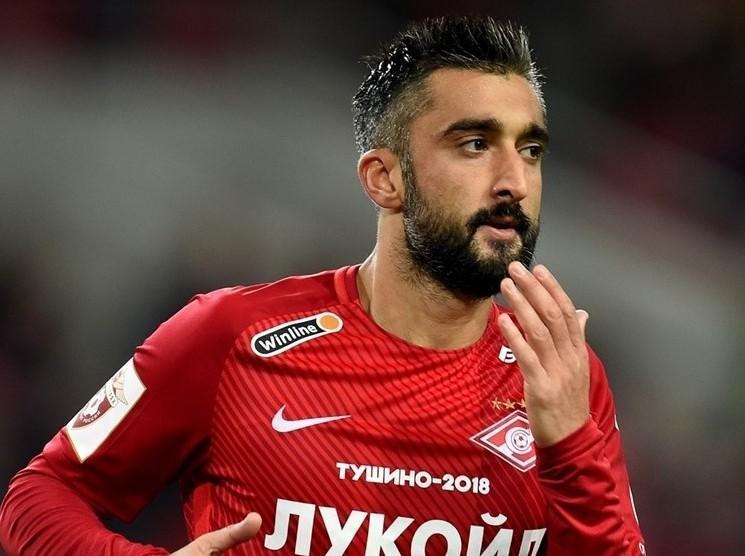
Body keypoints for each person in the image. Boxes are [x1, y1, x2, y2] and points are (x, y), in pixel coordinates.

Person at [0, 16, 646, 556]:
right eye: (474, 144)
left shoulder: (561, 376)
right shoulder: (230, 336)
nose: (514, 181)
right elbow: (40, 496)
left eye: (530, 150)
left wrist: (570, 448)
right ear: (384, 179)